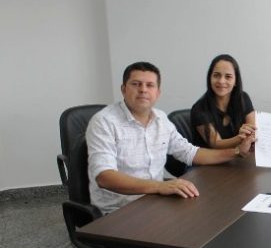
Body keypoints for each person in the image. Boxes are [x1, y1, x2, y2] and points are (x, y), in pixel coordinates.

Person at [86, 61, 256, 214]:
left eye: (150, 85)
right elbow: (104, 177)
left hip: (153, 202)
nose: (143, 90)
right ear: (123, 89)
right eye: (136, 84)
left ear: (158, 92)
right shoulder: (104, 122)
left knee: (213, 213)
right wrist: (160, 186)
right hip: (117, 211)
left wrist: (237, 152)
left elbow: (191, 153)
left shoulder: (161, 119)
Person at [190, 54, 256, 149]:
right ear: (210, 78)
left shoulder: (243, 98)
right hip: (210, 157)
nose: (221, 81)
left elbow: (253, 130)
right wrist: (241, 138)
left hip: (239, 155)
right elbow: (216, 144)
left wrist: (250, 134)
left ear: (236, 81)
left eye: (228, 76)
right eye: (216, 75)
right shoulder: (199, 109)